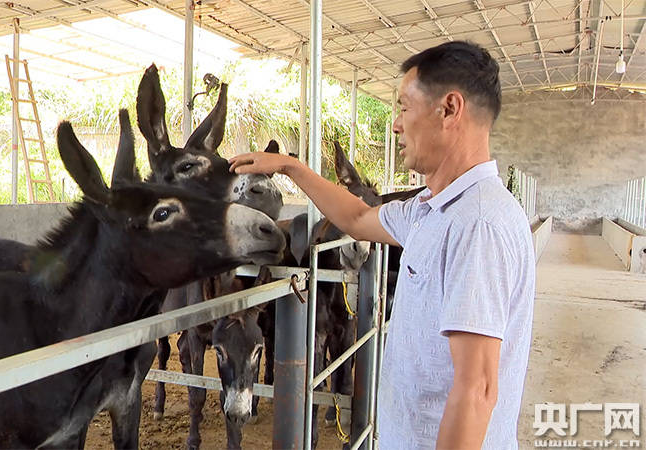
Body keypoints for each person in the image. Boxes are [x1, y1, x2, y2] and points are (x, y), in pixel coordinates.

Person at [229, 41, 535, 449]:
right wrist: (291, 167)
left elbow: (477, 390)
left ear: (449, 109)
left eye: (405, 107)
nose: (395, 124)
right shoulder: (431, 210)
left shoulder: (477, 224)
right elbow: (356, 218)